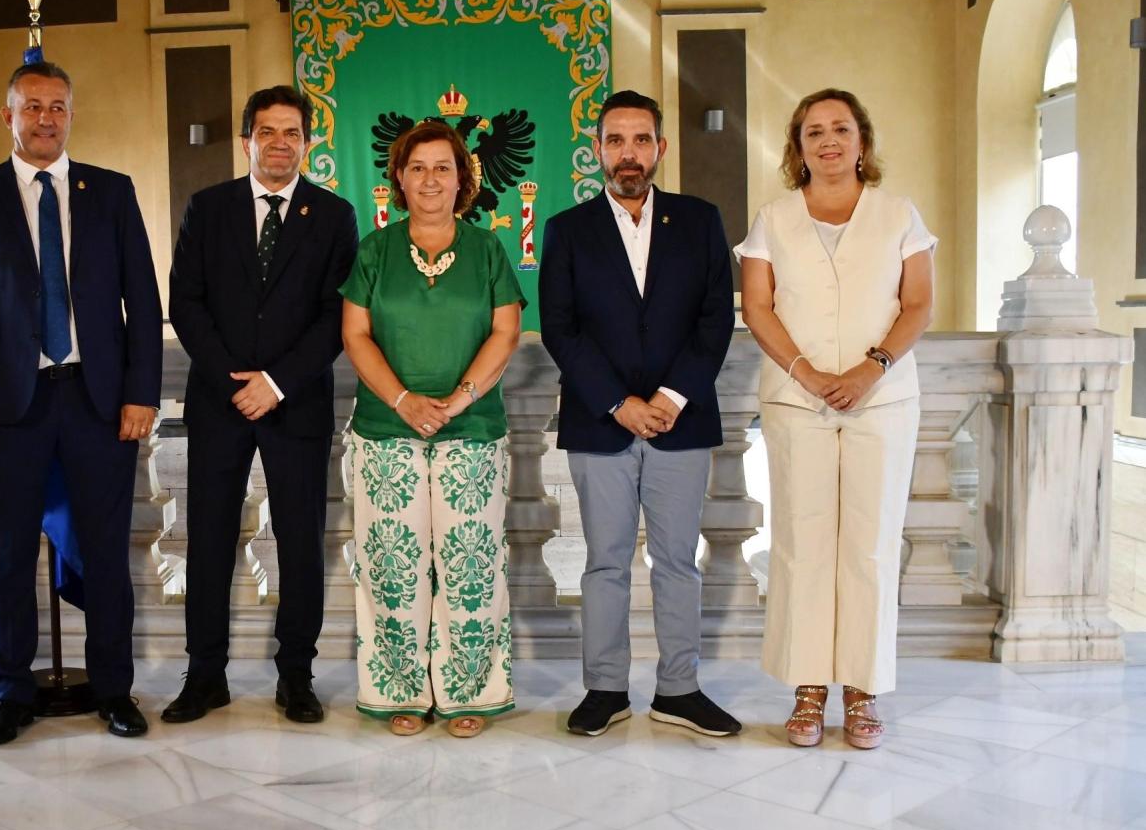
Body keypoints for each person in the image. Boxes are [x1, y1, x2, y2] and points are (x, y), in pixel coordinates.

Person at [0, 62, 162, 744]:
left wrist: (140, 394)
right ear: (9, 116)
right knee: (8, 557)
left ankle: (114, 691)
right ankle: (11, 693)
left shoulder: (112, 194)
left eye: (58, 107)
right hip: (8, 411)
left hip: (97, 405)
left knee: (105, 554)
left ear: (70, 115)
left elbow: (143, 305)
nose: (46, 119)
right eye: (32, 107)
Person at [540, 90, 741, 739]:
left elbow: (715, 320)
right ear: (597, 149)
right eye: (616, 140)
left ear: (660, 148)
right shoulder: (567, 230)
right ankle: (605, 687)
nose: (629, 153)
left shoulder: (701, 220)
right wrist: (619, 402)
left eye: (642, 139)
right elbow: (560, 331)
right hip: (600, 423)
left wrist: (670, 398)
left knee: (679, 561)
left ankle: (679, 689)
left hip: (683, 420)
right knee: (605, 560)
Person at [737, 88, 933, 750]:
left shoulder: (898, 215)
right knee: (803, 541)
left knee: (871, 545)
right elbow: (759, 308)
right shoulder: (773, 218)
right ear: (797, 147)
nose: (828, 141)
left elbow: (918, 305)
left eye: (840, 129)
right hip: (798, 400)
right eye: (813, 131)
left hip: (882, 399)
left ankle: (863, 687)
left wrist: (867, 369)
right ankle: (808, 686)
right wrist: (811, 374)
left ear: (862, 141)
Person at [164, 86, 359, 724]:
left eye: (292, 133)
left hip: (296, 403)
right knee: (209, 541)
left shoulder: (334, 216)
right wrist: (231, 380)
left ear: (308, 142)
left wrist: (275, 382)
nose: (279, 143)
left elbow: (337, 315)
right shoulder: (207, 207)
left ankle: (296, 676)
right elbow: (186, 303)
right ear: (246, 140)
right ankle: (205, 675)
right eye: (267, 132)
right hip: (220, 404)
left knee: (301, 542)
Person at [340, 120, 523, 738]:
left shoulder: (489, 249)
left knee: (469, 566)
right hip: (386, 432)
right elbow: (355, 334)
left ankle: (470, 691)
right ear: (398, 177)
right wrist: (403, 400)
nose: (430, 179)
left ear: (462, 179)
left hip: (471, 430)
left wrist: (459, 396)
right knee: (392, 564)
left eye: (443, 167)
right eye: (417, 167)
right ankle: (400, 692)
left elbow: (505, 332)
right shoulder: (374, 250)